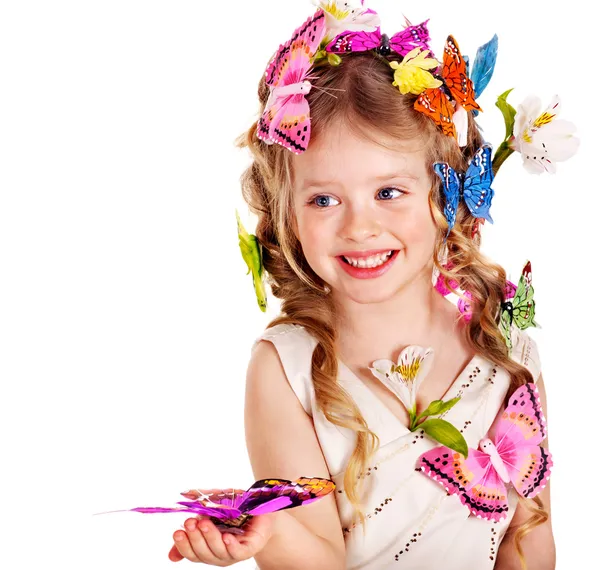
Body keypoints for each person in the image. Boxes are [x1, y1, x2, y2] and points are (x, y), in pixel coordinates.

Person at [166, 2, 570, 568]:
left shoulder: (504, 350)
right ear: (287, 212)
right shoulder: (288, 370)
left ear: (446, 192)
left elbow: (528, 540)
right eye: (324, 199)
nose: (358, 227)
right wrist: (269, 534)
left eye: (388, 192)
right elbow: (321, 554)